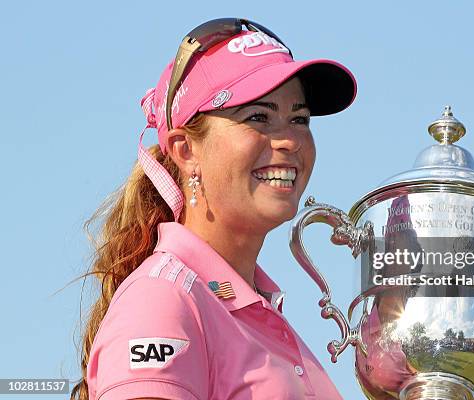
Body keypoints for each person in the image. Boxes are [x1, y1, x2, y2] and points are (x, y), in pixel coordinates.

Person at [71, 18, 356, 400]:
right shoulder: (163, 298)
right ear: (186, 150)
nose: (290, 140)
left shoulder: (255, 314)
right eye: (258, 117)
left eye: (299, 119)